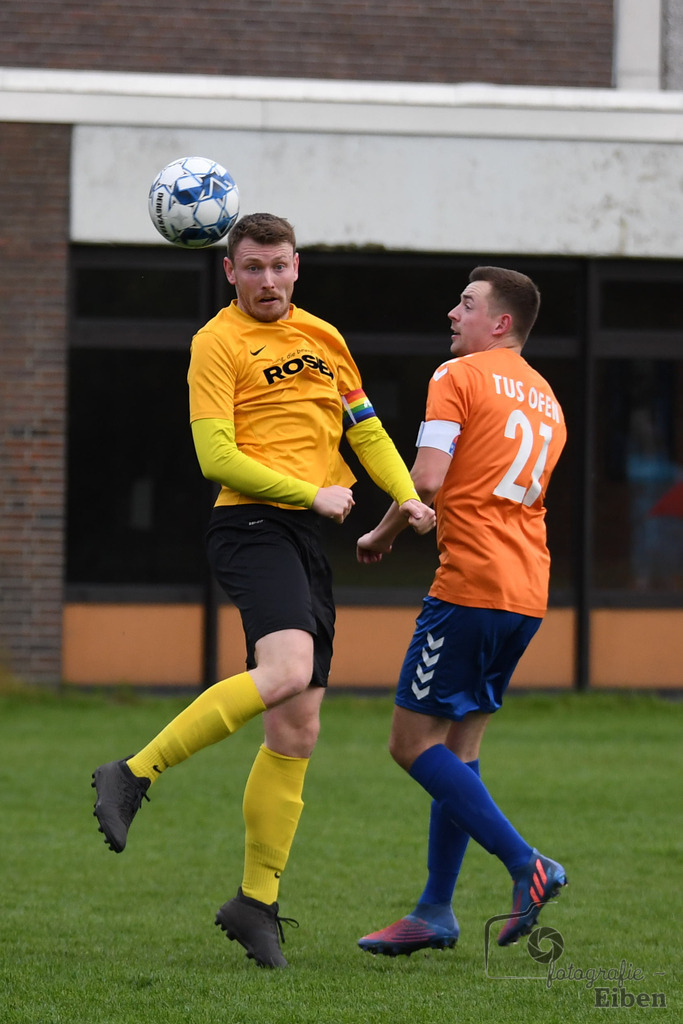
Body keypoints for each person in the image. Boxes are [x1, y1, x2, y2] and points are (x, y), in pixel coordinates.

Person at [91, 212, 435, 969]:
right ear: (230, 272)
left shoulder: (324, 337)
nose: (268, 281)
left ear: (297, 266)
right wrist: (310, 492)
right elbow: (215, 455)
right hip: (250, 524)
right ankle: (132, 772)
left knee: (296, 729)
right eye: (253, 268)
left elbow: (366, 429)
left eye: (279, 266)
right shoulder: (215, 343)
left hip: (302, 540)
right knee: (282, 674)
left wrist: (405, 495)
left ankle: (255, 903)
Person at [355, 266, 568, 956]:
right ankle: (434, 911)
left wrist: (381, 532)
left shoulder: (458, 377)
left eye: (467, 304)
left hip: (470, 585)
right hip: (525, 591)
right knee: (458, 751)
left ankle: (525, 864)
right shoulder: (547, 399)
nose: (453, 313)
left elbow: (425, 479)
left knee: (408, 744)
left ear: (499, 323)